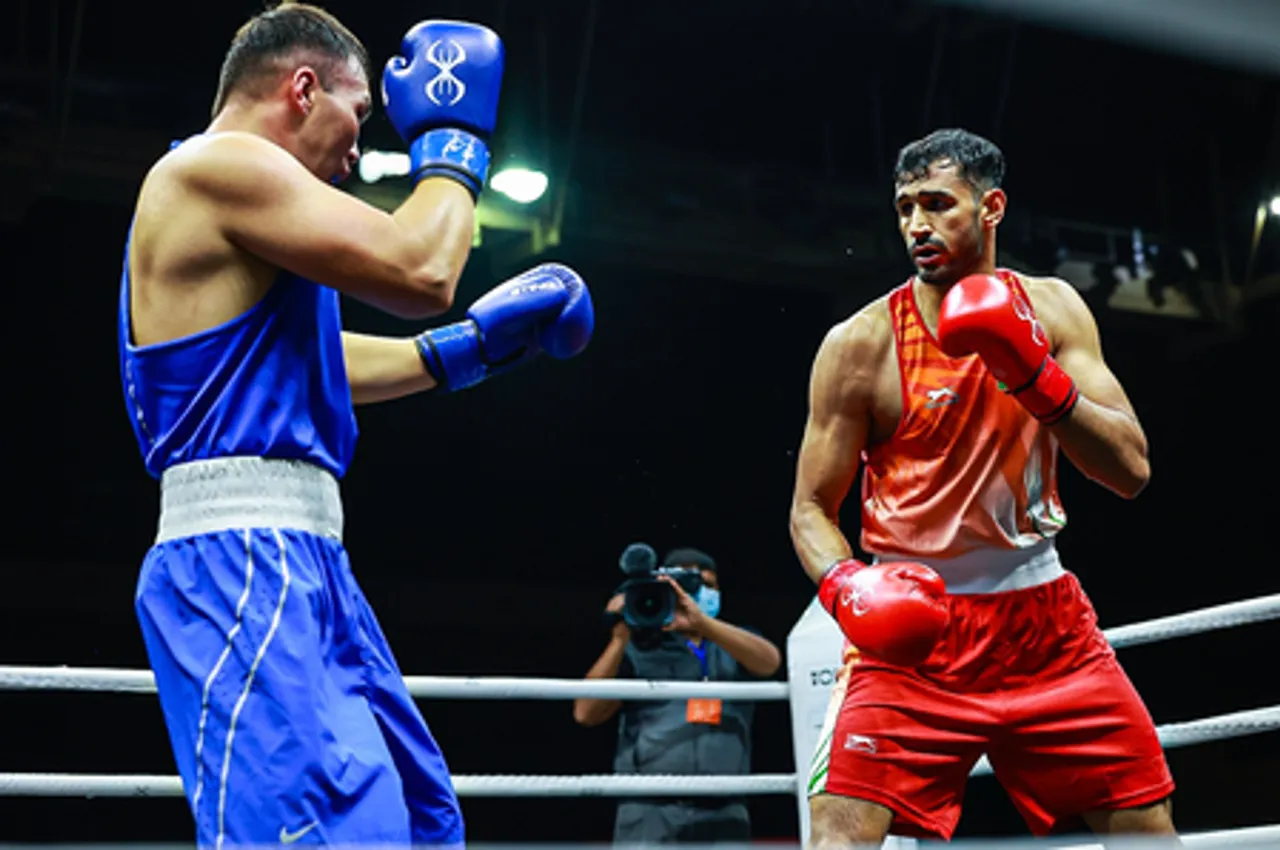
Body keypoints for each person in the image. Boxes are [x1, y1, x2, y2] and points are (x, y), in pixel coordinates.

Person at [119, 3, 593, 846]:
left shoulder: (249, 218)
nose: (359, 147)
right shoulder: (220, 164)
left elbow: (316, 361)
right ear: (303, 89)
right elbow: (422, 267)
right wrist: (453, 140)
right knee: (310, 834)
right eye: (360, 114)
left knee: (413, 821)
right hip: (239, 559)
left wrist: (464, 352)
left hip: (306, 558)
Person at [788, 128, 1176, 845]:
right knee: (840, 831)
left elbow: (1131, 470)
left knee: (1146, 831)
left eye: (938, 204)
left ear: (991, 206)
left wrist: (1034, 375)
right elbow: (810, 509)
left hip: (1046, 627)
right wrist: (846, 584)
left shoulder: (1053, 311)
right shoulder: (860, 344)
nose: (916, 226)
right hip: (912, 634)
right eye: (905, 208)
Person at [573, 547, 782, 845]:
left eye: (707, 585)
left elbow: (770, 661)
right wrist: (619, 637)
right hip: (649, 809)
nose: (694, 595)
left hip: (724, 808)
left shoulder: (735, 643)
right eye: (683, 588)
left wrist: (702, 624)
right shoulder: (640, 649)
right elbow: (585, 713)